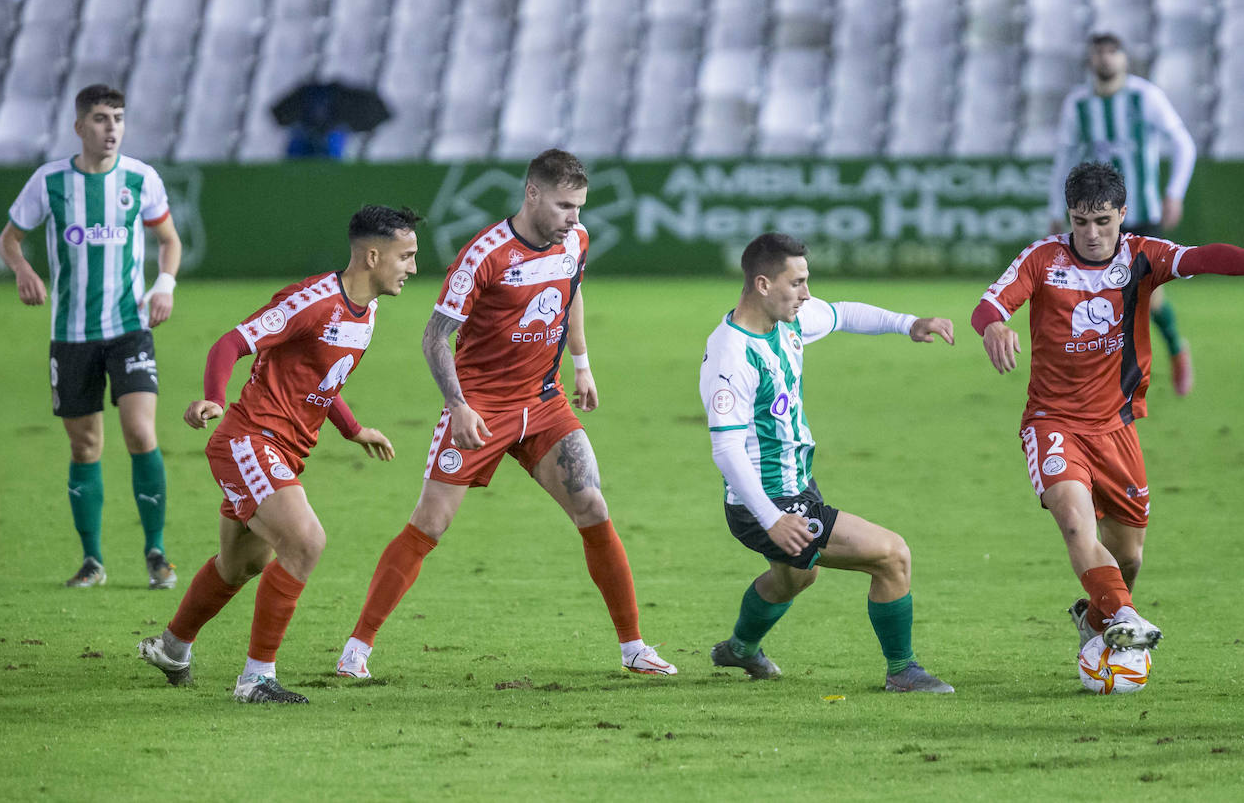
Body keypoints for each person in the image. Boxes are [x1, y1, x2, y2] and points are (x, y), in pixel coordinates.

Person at [335, 149, 676, 680]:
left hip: (544, 402)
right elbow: (434, 339)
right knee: (431, 523)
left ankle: (634, 648)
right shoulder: (483, 256)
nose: (575, 218)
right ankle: (356, 649)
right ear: (532, 194)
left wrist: (581, 364)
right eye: (565, 205)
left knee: (593, 507)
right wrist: (458, 406)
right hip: (481, 410)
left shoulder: (576, 241)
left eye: (581, 206)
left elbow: (572, 292)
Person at [973, 162, 1244, 655]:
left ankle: (1096, 615)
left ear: (1122, 214)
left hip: (1117, 428)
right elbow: (989, 305)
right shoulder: (1042, 259)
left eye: (1103, 221)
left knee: (1127, 557)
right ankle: (1125, 614)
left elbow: (1200, 257)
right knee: (1075, 524)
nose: (1091, 233)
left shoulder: (1141, 256)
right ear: (1069, 216)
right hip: (1054, 423)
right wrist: (993, 326)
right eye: (1081, 221)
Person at [138, 206, 418, 703]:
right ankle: (256, 678)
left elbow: (320, 382)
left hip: (284, 451)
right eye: (406, 256)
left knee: (239, 565)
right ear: (373, 255)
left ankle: (172, 647)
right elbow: (232, 342)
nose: (412, 267)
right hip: (249, 441)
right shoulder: (311, 301)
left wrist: (354, 430)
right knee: (306, 541)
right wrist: (214, 399)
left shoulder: (367, 312)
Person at [699, 232, 956, 692]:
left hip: (796, 487)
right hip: (769, 499)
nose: (806, 294)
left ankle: (739, 650)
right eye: (796, 283)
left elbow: (843, 314)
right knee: (892, 555)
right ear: (762, 284)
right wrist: (772, 516)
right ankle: (903, 671)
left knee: (797, 577)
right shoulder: (730, 354)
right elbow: (726, 450)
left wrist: (909, 323)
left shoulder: (788, 321)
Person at [0, 84, 183, 589]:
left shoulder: (141, 179)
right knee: (85, 448)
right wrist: (23, 271)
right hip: (71, 335)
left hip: (129, 329)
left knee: (141, 433)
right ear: (80, 127)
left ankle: (156, 554)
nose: (112, 128)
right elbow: (9, 239)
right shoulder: (50, 181)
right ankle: (93, 561)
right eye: (101, 119)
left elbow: (168, 240)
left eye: (118, 118)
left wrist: (164, 284)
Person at [1051, 32, 1199, 395]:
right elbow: (1064, 158)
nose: (1105, 59)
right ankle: (1103, 376)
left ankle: (1175, 349)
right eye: (1098, 52)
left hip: (1139, 210)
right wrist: (1056, 208)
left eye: (1112, 52)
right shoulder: (1078, 104)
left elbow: (1184, 143)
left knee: (1140, 293)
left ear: (1124, 59)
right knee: (1094, 292)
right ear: (1090, 60)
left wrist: (1174, 193)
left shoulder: (1144, 97)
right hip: (1094, 216)